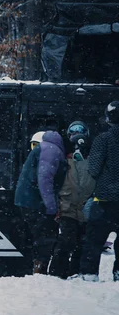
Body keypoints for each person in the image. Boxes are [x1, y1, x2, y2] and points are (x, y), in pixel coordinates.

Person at [15, 130, 67, 274]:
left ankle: (32, 267)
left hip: (28, 199)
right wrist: (51, 206)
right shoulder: (52, 150)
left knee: (32, 235)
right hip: (36, 202)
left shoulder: (45, 149)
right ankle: (39, 269)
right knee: (45, 235)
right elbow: (45, 179)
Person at [78, 101, 119, 282]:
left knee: (95, 238)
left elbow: (93, 169)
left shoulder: (103, 139)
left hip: (105, 197)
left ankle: (89, 274)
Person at [49, 122, 95, 279]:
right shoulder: (61, 156)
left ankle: (76, 271)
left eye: (80, 131)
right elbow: (54, 182)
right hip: (66, 205)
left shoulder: (94, 156)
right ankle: (56, 273)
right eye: (72, 132)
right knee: (67, 240)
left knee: (83, 242)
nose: (76, 135)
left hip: (85, 206)